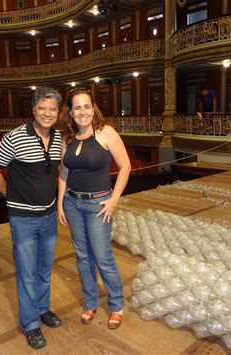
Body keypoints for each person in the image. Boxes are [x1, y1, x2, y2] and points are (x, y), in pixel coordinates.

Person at [0, 86, 63, 349]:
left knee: (44, 269)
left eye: (52, 109)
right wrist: (10, 195)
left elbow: (57, 171)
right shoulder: (14, 138)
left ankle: (42, 308)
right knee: (27, 273)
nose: (47, 113)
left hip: (49, 216)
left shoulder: (59, 136)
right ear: (33, 110)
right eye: (42, 108)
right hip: (24, 220)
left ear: (58, 113)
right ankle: (30, 324)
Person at [57, 87, 131, 330]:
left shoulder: (106, 132)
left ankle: (117, 305)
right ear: (71, 111)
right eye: (77, 107)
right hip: (72, 203)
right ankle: (90, 302)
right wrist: (60, 202)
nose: (82, 112)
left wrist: (113, 200)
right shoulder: (67, 137)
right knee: (82, 256)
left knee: (102, 256)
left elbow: (125, 166)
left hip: (98, 204)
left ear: (93, 108)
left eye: (86, 106)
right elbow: (64, 172)